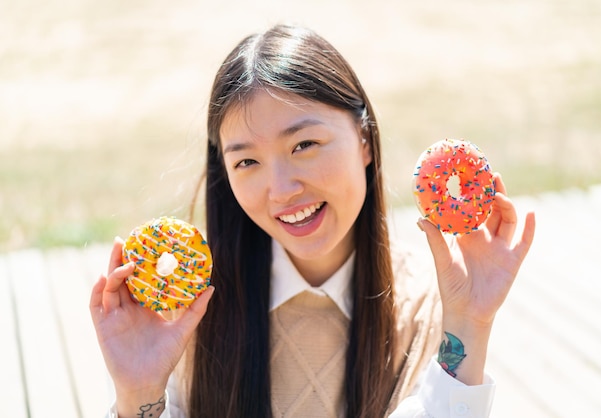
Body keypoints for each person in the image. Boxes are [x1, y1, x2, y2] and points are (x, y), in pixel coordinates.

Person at [90, 24, 535, 418]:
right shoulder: (184, 313)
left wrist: (470, 325)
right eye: (247, 162)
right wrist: (139, 394)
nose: (281, 190)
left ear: (364, 141)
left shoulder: (431, 310)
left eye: (303, 145)